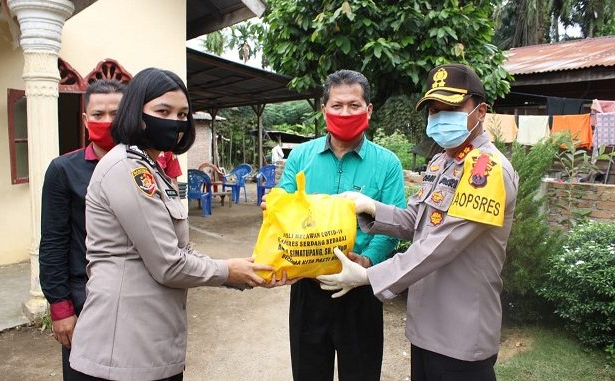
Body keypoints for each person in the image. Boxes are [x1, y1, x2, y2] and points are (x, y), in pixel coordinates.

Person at [317, 64, 520, 381]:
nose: (439, 118)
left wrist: (369, 276)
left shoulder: (487, 170)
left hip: (461, 332)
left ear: (480, 111)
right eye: (434, 110)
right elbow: (416, 220)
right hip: (426, 326)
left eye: (450, 109)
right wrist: (371, 209)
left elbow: (440, 245)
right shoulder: (443, 161)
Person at [68, 68, 272, 381]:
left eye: (183, 114)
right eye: (163, 111)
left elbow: (182, 248)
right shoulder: (127, 169)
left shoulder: (152, 168)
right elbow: (168, 263)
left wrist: (240, 270)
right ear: (136, 111)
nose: (175, 122)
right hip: (122, 348)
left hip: (149, 338)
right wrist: (228, 271)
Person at [277, 69, 406, 381]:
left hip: (361, 289)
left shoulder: (387, 163)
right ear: (324, 110)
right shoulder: (300, 157)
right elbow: (283, 213)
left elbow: (395, 224)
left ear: (369, 110)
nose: (345, 112)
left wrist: (367, 261)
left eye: (354, 105)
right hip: (309, 287)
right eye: (337, 105)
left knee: (361, 374)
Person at [39, 79, 126, 380]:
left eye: (115, 114)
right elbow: (52, 244)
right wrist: (61, 308)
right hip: (85, 297)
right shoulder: (64, 170)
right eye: (98, 114)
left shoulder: (143, 169)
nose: (107, 121)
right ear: (85, 120)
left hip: (133, 298)